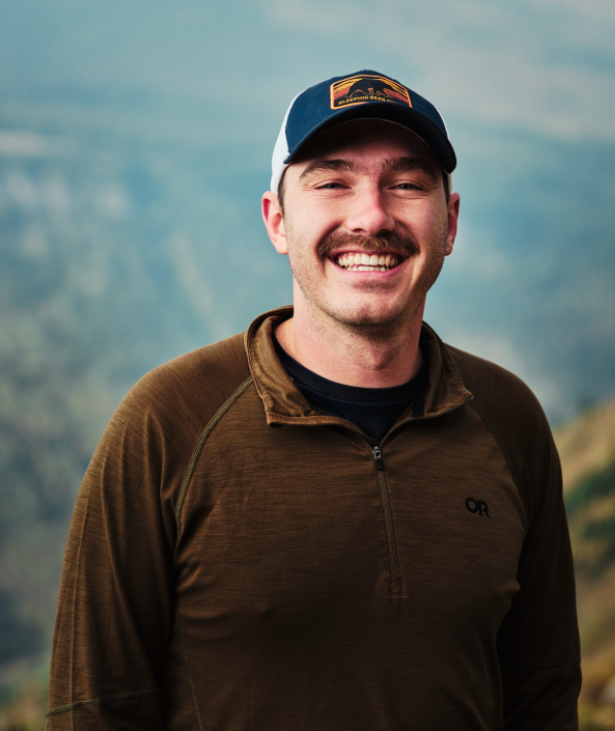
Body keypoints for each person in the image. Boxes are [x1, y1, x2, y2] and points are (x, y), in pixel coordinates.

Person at [46, 70, 580, 730]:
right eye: (332, 182)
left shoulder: (509, 418)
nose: (371, 215)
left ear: (451, 221)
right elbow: (94, 707)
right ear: (277, 220)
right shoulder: (166, 423)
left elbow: (544, 693)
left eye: (407, 183)